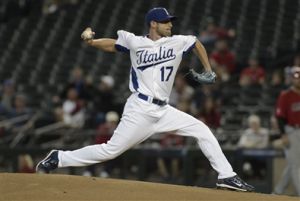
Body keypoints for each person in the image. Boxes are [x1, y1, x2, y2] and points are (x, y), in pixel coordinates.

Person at [36, 7, 254, 192]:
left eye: (170, 21)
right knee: (110, 150)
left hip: (164, 110)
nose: (170, 25)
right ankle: (59, 157)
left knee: (202, 130)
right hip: (140, 108)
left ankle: (226, 176)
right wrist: (92, 43)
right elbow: (113, 44)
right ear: (153, 24)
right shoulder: (135, 42)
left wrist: (207, 68)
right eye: (165, 22)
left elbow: (196, 43)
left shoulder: (177, 42)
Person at [274, 67, 300, 196]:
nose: (298, 80)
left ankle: (278, 191)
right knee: (296, 165)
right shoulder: (286, 95)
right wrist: (283, 134)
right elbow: (280, 116)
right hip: (291, 131)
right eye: (296, 77)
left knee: (293, 164)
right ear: (292, 79)